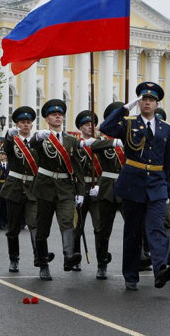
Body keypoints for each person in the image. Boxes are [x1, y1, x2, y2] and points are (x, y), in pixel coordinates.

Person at [99, 81, 170, 291]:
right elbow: (105, 128)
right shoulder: (128, 123)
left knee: (156, 228)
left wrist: (169, 189)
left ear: (157, 104)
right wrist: (124, 108)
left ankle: (160, 269)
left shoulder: (166, 129)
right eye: (144, 99)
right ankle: (131, 276)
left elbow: (169, 161)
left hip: (157, 185)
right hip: (133, 183)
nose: (147, 103)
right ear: (139, 102)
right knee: (132, 232)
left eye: (151, 100)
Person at [31, 99, 84, 281]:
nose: (57, 117)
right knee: (43, 227)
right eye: (54, 115)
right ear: (46, 118)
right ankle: (43, 264)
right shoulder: (42, 138)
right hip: (45, 187)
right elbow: (32, 144)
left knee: (67, 221)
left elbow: (78, 168)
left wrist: (81, 192)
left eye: (60, 115)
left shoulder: (71, 140)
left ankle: (68, 256)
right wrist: (37, 137)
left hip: (66, 189)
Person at [0, 106, 55, 273]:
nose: (25, 125)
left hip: (33, 188)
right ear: (17, 124)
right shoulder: (13, 140)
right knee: (13, 228)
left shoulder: (38, 141)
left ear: (32, 125)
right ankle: (14, 259)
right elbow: (7, 148)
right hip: (15, 187)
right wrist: (8, 136)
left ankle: (40, 259)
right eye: (22, 122)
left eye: (28, 122)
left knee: (35, 225)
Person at [83, 101, 126, 280]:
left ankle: (138, 259)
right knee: (102, 229)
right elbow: (92, 146)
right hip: (107, 187)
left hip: (127, 187)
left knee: (134, 226)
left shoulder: (131, 138)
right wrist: (113, 141)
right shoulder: (102, 140)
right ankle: (102, 264)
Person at [72, 109, 99, 272]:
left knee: (99, 227)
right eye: (87, 125)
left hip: (96, 188)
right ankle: (76, 258)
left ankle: (102, 261)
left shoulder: (100, 143)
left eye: (93, 124)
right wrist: (76, 191)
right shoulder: (76, 145)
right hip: (80, 189)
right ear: (81, 128)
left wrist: (100, 185)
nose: (91, 127)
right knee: (78, 227)